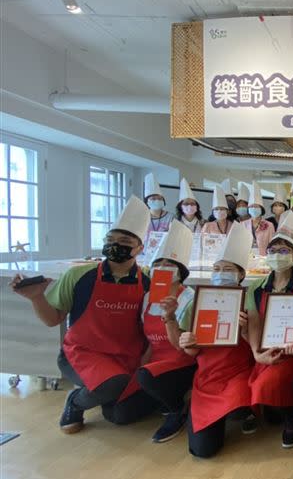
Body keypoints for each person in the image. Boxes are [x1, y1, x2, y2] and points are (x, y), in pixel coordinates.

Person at [11, 196, 159, 432]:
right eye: (110, 240)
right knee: (113, 384)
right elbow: (53, 319)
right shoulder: (79, 275)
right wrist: (36, 297)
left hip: (128, 357)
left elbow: (153, 328)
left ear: (140, 248)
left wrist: (147, 357)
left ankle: (104, 393)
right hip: (82, 354)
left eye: (124, 241)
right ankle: (76, 401)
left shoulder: (148, 281)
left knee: (122, 415)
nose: (115, 245)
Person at [177, 222, 254, 458]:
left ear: (241, 274)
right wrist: (187, 341)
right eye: (217, 268)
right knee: (202, 450)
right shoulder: (199, 301)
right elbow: (191, 352)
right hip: (207, 377)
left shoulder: (251, 301)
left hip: (240, 374)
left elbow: (259, 345)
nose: (221, 273)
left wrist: (245, 331)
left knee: (238, 410)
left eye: (227, 269)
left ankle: (245, 412)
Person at [247, 212, 293, 448]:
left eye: (284, 251)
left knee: (268, 383)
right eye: (273, 251)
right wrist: (257, 353)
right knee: (263, 382)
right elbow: (254, 322)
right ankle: (283, 410)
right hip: (267, 348)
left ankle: (292, 415)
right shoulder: (256, 288)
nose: (277, 256)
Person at [136, 220, 197, 443]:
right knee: (121, 411)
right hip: (155, 360)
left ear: (179, 272)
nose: (161, 268)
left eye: (168, 264)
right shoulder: (146, 298)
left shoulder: (189, 299)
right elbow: (148, 339)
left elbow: (182, 346)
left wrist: (169, 317)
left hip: (183, 361)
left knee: (145, 377)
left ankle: (176, 410)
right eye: (157, 263)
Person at [247, 180, 276, 256]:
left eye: (256, 206)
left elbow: (272, 244)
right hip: (246, 258)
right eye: (251, 206)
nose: (253, 208)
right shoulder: (242, 224)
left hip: (263, 259)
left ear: (261, 209)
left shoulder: (269, 225)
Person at [144, 173, 173, 237]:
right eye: (153, 199)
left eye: (160, 198)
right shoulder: (142, 217)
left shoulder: (170, 217)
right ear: (147, 202)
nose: (157, 200)